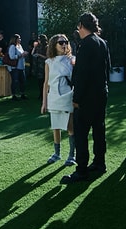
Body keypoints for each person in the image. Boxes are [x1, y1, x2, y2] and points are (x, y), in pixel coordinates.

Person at [61, 12, 111, 184]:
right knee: (99, 131)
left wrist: (76, 98)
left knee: (81, 134)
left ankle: (81, 170)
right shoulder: (102, 43)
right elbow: (107, 69)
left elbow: (81, 75)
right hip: (101, 94)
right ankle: (100, 163)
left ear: (82, 26)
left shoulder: (85, 45)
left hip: (86, 97)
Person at [41, 34, 76, 166]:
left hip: (68, 95)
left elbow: (76, 79)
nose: (64, 45)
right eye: (61, 42)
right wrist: (44, 102)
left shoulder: (72, 59)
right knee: (55, 126)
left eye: (66, 42)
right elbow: (46, 83)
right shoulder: (49, 62)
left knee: (70, 126)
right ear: (54, 45)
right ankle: (57, 153)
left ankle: (72, 155)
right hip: (54, 96)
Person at [7, 34, 29, 100]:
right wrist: (21, 55)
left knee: (22, 81)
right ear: (15, 39)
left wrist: (24, 54)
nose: (20, 39)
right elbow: (12, 57)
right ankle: (13, 95)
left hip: (21, 66)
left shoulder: (20, 46)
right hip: (15, 67)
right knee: (15, 81)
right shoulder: (13, 47)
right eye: (19, 38)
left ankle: (22, 94)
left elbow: (21, 54)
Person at [32, 34, 48, 99]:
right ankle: (41, 94)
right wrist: (34, 47)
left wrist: (39, 55)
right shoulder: (38, 46)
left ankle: (45, 94)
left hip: (44, 65)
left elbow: (47, 57)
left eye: (39, 39)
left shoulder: (46, 47)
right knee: (39, 81)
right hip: (38, 66)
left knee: (44, 80)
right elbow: (32, 53)